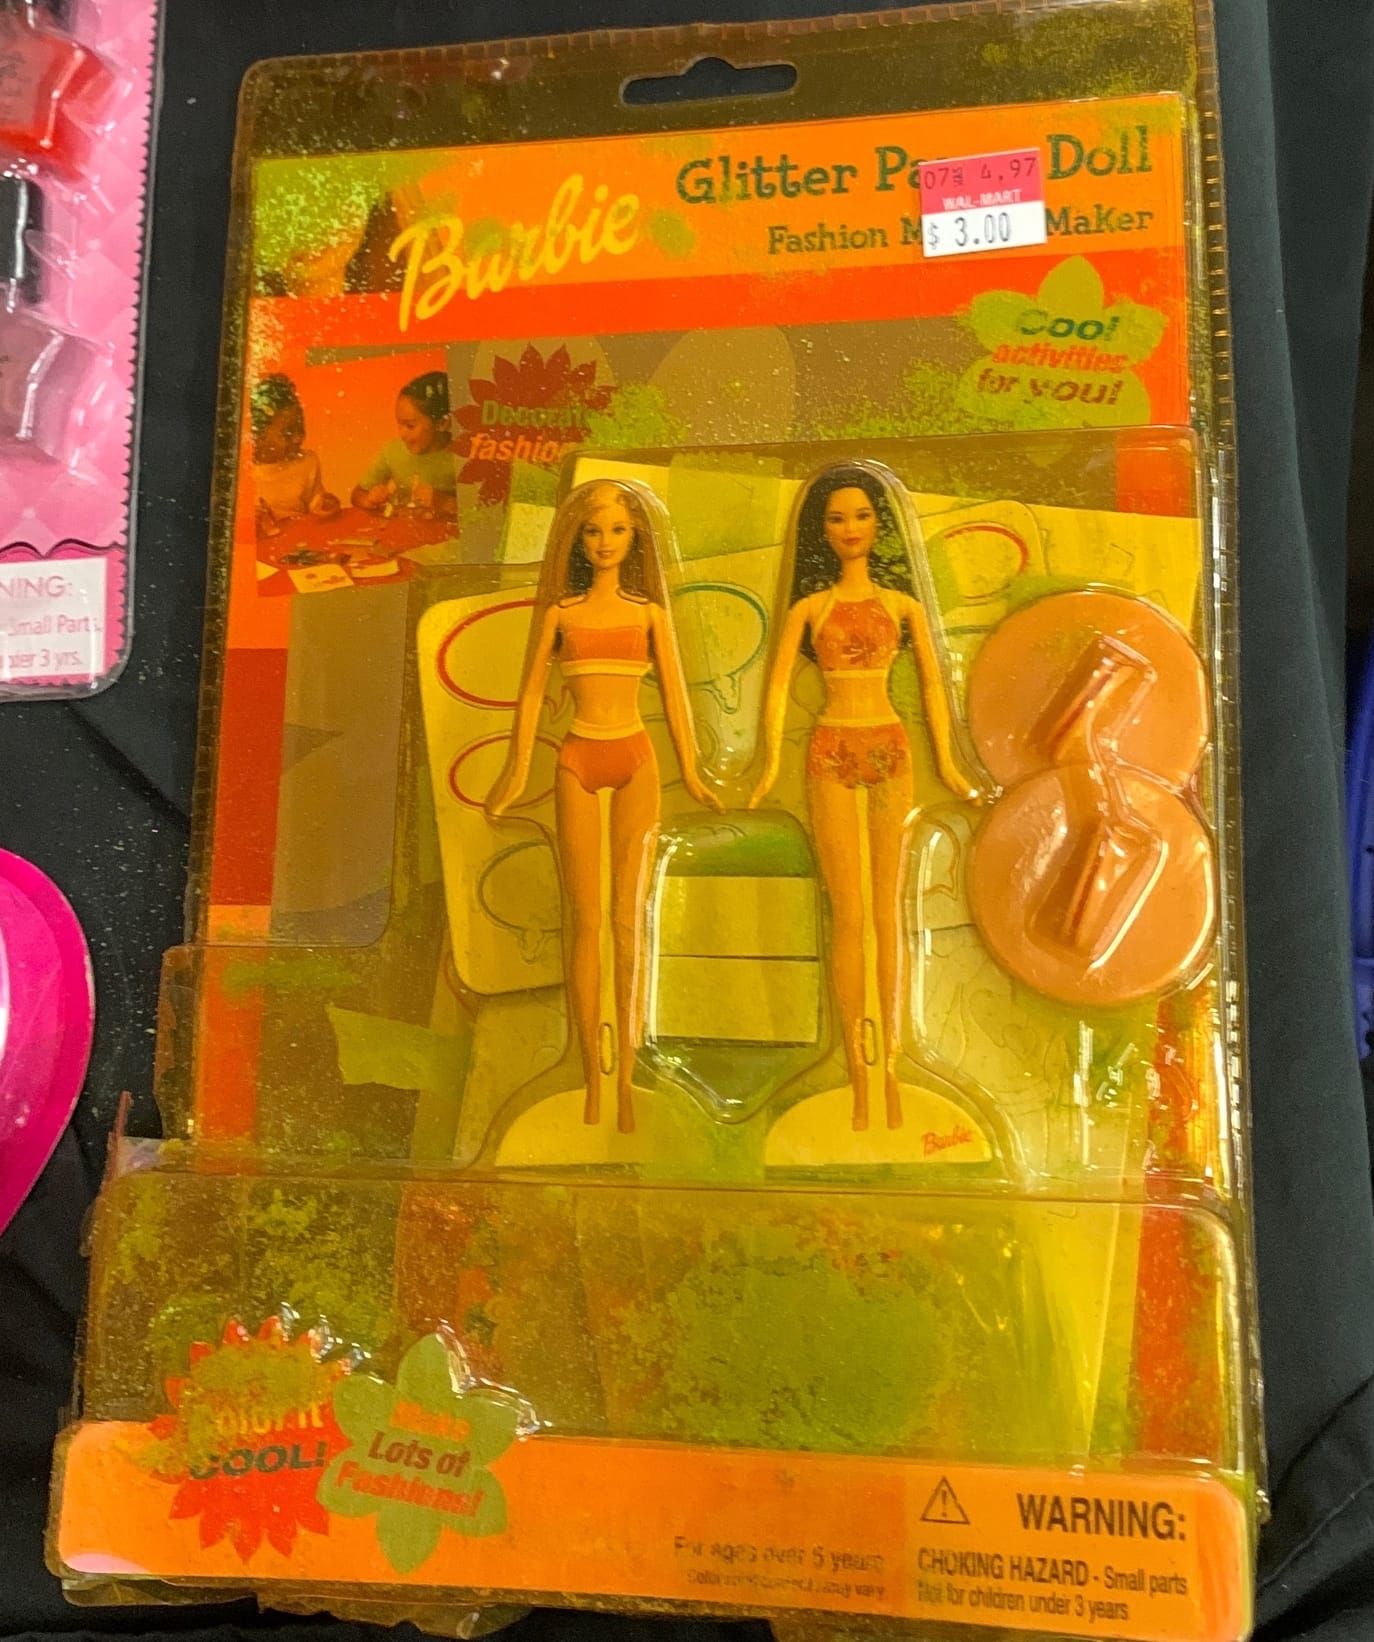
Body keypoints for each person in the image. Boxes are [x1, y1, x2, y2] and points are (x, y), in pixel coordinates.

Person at [750, 461, 981, 1131]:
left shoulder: (904, 607)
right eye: (836, 518)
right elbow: (776, 686)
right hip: (830, 749)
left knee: (887, 913)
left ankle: (895, 1072)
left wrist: (950, 765)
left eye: (861, 516)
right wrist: (767, 764)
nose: (850, 528)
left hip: (889, 748)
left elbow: (934, 686)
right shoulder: (809, 608)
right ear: (821, 531)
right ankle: (857, 1074)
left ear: (880, 525)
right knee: (848, 915)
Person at [485, 479, 719, 1134]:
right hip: (578, 759)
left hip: (636, 757)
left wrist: (693, 773)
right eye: (593, 531)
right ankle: (592, 1077)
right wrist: (514, 773)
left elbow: (676, 700)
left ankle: (628, 1084)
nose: (605, 542)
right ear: (578, 541)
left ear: (635, 536)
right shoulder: (561, 615)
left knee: (627, 920)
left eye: (617, 530)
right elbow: (530, 696)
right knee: (586, 920)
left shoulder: (650, 615)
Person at [351, 369, 457, 519]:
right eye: (399, 424)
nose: (402, 434)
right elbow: (357, 494)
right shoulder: (393, 451)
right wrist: (370, 499)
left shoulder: (464, 455)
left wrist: (444, 502)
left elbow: (483, 511)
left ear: (442, 423)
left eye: (410, 426)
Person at [249, 374, 339, 535]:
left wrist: (326, 504)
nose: (298, 438)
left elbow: (316, 506)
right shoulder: (241, 472)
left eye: (301, 428)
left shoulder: (308, 462)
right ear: (257, 437)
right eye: (288, 433)